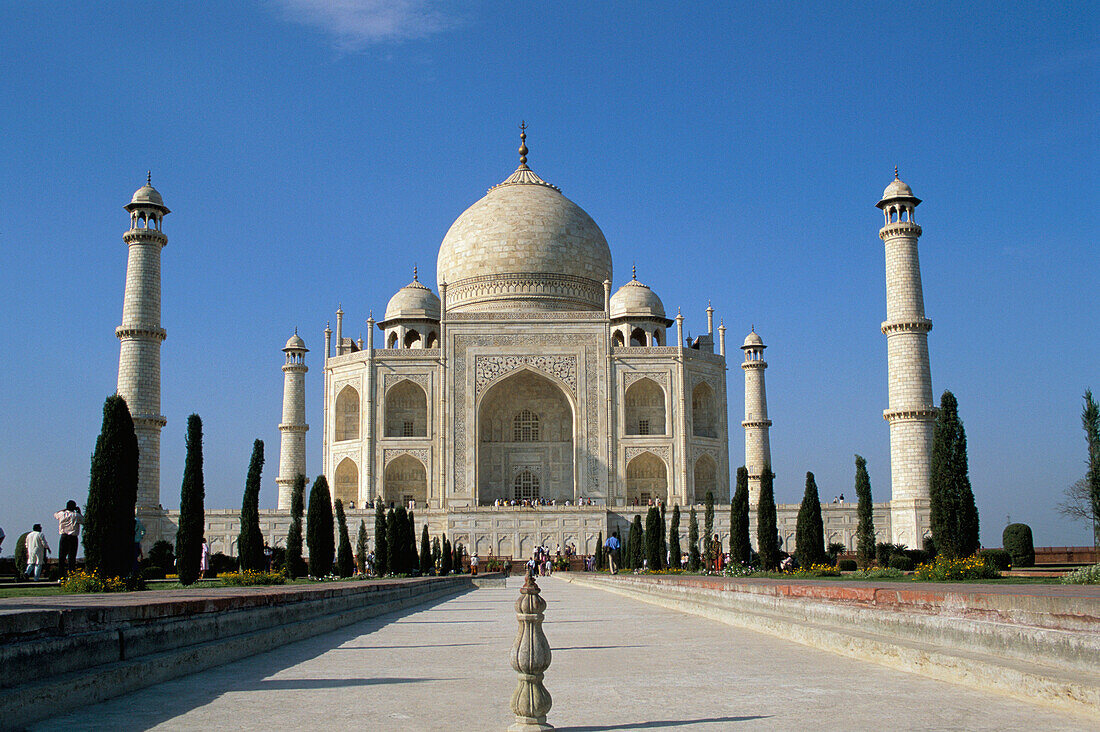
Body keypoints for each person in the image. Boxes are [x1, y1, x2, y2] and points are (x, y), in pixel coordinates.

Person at [54, 500, 84, 579]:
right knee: (72, 558)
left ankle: (60, 576)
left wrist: (64, 509)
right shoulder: (76, 515)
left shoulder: (61, 514)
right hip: (73, 537)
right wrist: (79, 512)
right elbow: (84, 521)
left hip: (63, 537)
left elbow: (55, 514)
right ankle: (71, 576)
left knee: (62, 557)